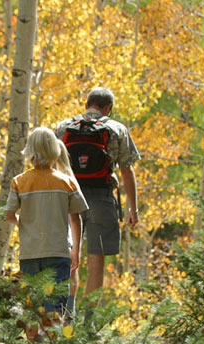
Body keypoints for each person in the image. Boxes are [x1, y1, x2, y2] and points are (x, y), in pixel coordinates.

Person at [55, 87, 140, 313]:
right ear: (108, 108)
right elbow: (126, 170)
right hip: (100, 199)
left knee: (70, 255)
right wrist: (133, 208)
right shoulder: (117, 129)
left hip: (67, 197)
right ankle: (89, 321)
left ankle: (67, 315)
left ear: (87, 104)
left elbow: (52, 167)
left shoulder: (63, 128)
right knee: (96, 259)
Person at [5, 127, 89, 316]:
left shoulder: (19, 181)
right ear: (55, 150)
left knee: (32, 305)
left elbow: (9, 215)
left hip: (30, 253)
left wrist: (24, 223)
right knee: (55, 304)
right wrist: (76, 249)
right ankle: (51, 342)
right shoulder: (67, 182)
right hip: (58, 252)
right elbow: (76, 218)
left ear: (29, 151)